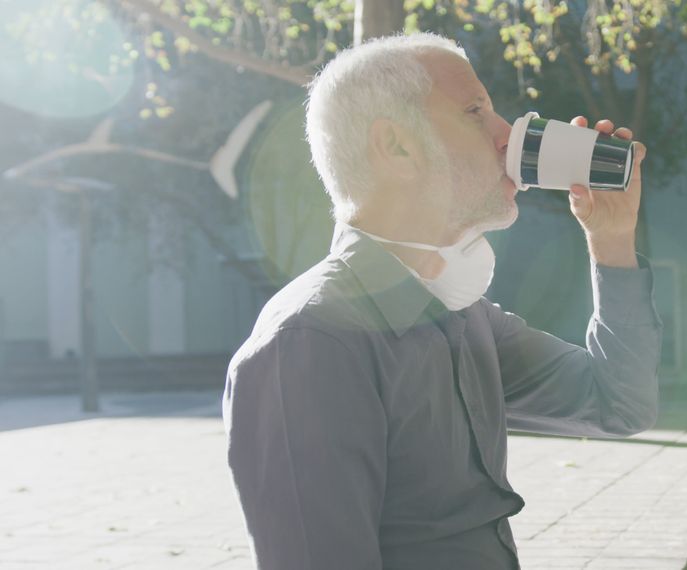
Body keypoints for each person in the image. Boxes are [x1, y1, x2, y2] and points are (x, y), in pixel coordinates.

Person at [223, 32, 661, 570]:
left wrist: (612, 242)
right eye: (475, 111)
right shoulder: (309, 345)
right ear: (399, 147)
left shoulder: (460, 312)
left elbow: (619, 403)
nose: (507, 136)